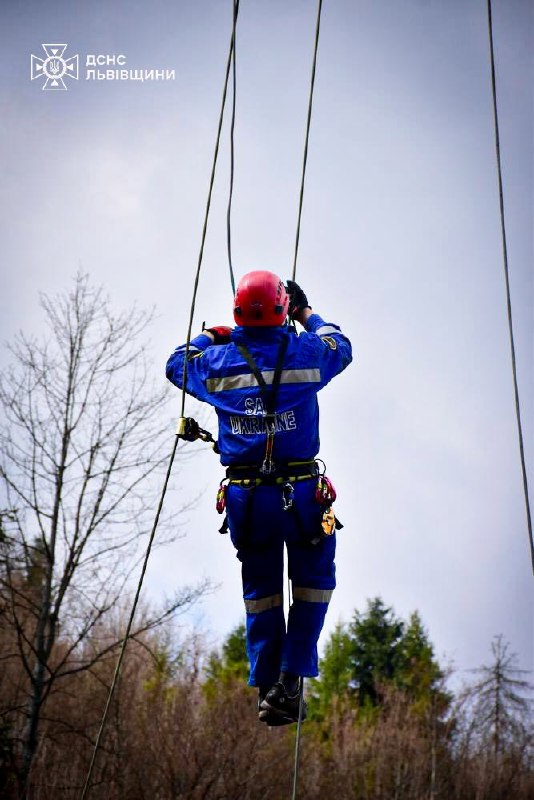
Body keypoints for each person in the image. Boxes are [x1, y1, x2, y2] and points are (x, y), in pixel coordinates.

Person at [166, 270, 352, 725]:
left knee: (261, 594)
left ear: (236, 313)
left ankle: (270, 685)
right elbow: (339, 345)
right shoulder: (305, 353)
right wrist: (306, 313)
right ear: (282, 309)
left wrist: (213, 334)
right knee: (313, 584)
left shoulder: (220, 362)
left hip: (249, 501)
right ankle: (291, 680)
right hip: (302, 496)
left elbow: (177, 362)